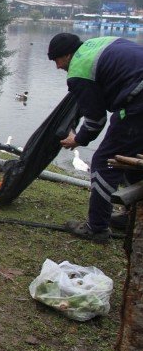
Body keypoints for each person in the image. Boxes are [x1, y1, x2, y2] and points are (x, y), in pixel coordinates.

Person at [47, 33, 143, 243]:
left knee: (105, 161)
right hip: (137, 93)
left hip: (138, 103)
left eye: (57, 60)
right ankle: (132, 216)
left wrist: (78, 139)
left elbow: (96, 121)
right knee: (134, 158)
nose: (57, 67)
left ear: (68, 54)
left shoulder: (79, 70)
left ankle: (96, 228)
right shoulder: (97, 44)